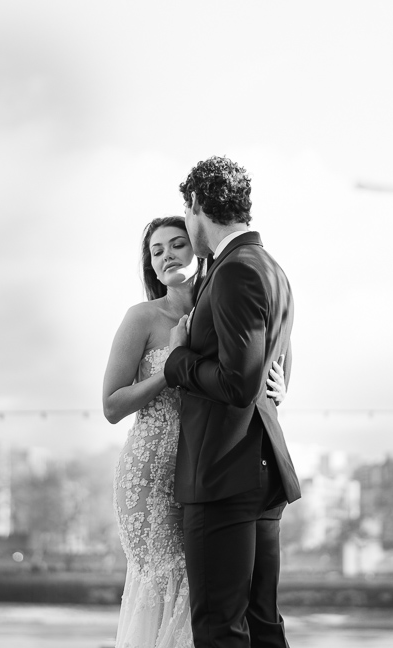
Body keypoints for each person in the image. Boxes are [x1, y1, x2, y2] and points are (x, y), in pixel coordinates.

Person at [103, 215, 287, 648]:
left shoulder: (219, 301)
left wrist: (279, 385)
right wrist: (172, 367)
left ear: (198, 249)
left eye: (177, 244)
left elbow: (246, 368)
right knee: (165, 589)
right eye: (157, 251)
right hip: (149, 475)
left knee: (203, 595)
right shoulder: (143, 317)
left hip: (208, 473)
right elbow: (112, 405)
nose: (167, 256)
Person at [163, 157, 299, 648]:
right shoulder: (272, 270)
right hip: (258, 473)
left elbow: (239, 383)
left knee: (221, 631)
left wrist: (176, 362)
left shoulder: (235, 271)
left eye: (187, 211)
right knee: (263, 628)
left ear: (198, 204)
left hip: (223, 474)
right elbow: (275, 368)